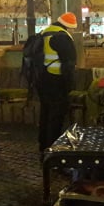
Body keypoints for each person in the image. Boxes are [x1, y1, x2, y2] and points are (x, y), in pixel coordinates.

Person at [36, 12, 78, 153]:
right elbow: (69, 63)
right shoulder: (62, 37)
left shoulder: (45, 32)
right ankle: (53, 147)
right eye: (73, 29)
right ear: (68, 26)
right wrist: (70, 85)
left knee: (45, 113)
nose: (73, 31)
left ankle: (43, 144)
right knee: (57, 116)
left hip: (43, 79)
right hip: (57, 80)